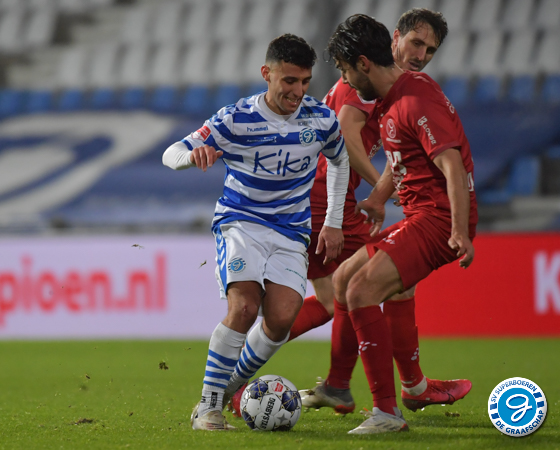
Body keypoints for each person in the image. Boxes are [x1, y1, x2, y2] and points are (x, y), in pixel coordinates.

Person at [162, 34, 350, 430]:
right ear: (267, 73)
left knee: (281, 318)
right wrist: (192, 155)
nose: (298, 91)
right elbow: (171, 153)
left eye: (305, 81)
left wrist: (333, 220)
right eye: (289, 81)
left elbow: (339, 160)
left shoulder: (321, 119)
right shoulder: (236, 118)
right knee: (245, 307)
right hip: (241, 222)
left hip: (291, 232)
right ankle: (209, 408)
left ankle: (226, 387)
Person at [291, 8, 471, 416]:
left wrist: (378, 195)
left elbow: (400, 151)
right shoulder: (369, 79)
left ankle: (347, 385)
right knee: (364, 287)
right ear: (395, 39)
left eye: (430, 50)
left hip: (319, 194)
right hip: (325, 195)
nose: (421, 55)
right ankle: (401, 389)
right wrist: (380, 186)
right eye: (416, 43)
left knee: (347, 292)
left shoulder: (396, 89)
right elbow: (347, 136)